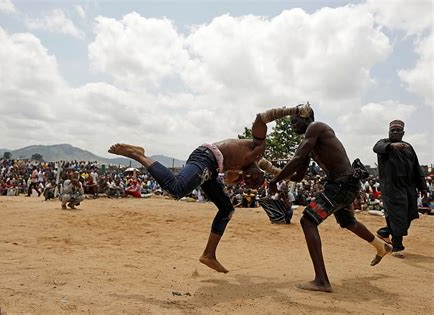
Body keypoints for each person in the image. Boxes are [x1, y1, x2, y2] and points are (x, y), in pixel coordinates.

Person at [108, 103, 311, 273]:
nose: (247, 181)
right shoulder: (257, 149)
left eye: (247, 183)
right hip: (206, 157)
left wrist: (295, 175)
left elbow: (276, 171)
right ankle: (138, 155)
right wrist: (293, 110)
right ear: (257, 171)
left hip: (212, 168)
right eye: (251, 179)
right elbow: (260, 118)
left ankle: (209, 254)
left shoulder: (245, 169)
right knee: (175, 189)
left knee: (227, 209)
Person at [268, 104, 392, 293]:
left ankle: (321, 281)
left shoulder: (315, 127)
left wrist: (274, 179)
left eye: (294, 122)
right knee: (349, 222)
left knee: (308, 220)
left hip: (341, 184)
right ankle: (380, 246)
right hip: (343, 185)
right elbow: (298, 175)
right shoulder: (310, 140)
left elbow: (296, 158)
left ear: (306, 117)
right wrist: (272, 173)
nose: (292, 126)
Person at [373, 120, 428, 258]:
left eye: (398, 131)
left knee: (409, 214)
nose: (395, 133)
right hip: (392, 187)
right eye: (393, 131)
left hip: (409, 187)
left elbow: (416, 167)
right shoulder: (384, 143)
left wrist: (423, 187)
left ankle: (385, 232)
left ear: (403, 133)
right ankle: (397, 247)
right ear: (389, 132)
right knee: (398, 216)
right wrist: (392, 146)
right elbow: (377, 148)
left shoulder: (408, 147)